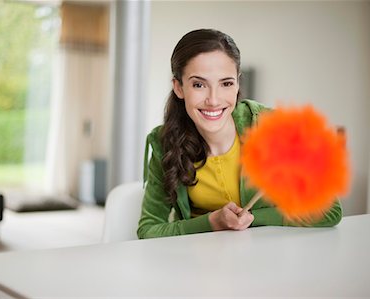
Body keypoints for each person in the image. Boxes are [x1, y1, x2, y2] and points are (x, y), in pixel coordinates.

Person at [137, 29, 342, 239]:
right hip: (197, 263)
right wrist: (211, 222)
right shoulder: (165, 143)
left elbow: (329, 211)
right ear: (179, 88)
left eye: (226, 83)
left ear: (237, 84)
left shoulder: (272, 128)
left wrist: (253, 217)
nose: (214, 100)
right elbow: (148, 230)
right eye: (199, 84)